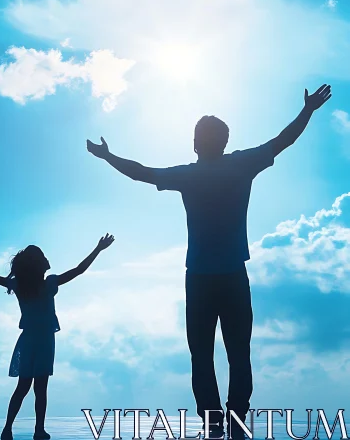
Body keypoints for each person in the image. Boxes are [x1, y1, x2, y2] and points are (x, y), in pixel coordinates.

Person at [87, 85, 332, 438]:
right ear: (224, 142)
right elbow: (283, 141)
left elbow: (142, 172)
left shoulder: (189, 174)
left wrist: (108, 157)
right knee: (237, 353)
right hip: (232, 274)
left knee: (201, 355)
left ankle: (214, 420)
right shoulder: (241, 164)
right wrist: (307, 110)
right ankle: (234, 418)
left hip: (201, 278)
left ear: (197, 144)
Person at [0, 234, 115, 440]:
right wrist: (98, 249)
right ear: (40, 264)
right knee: (40, 388)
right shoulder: (49, 283)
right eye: (43, 256)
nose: (47, 259)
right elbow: (79, 270)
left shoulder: (20, 285)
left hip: (28, 340)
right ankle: (37, 430)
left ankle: (8, 429)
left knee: (23, 386)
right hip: (43, 340)